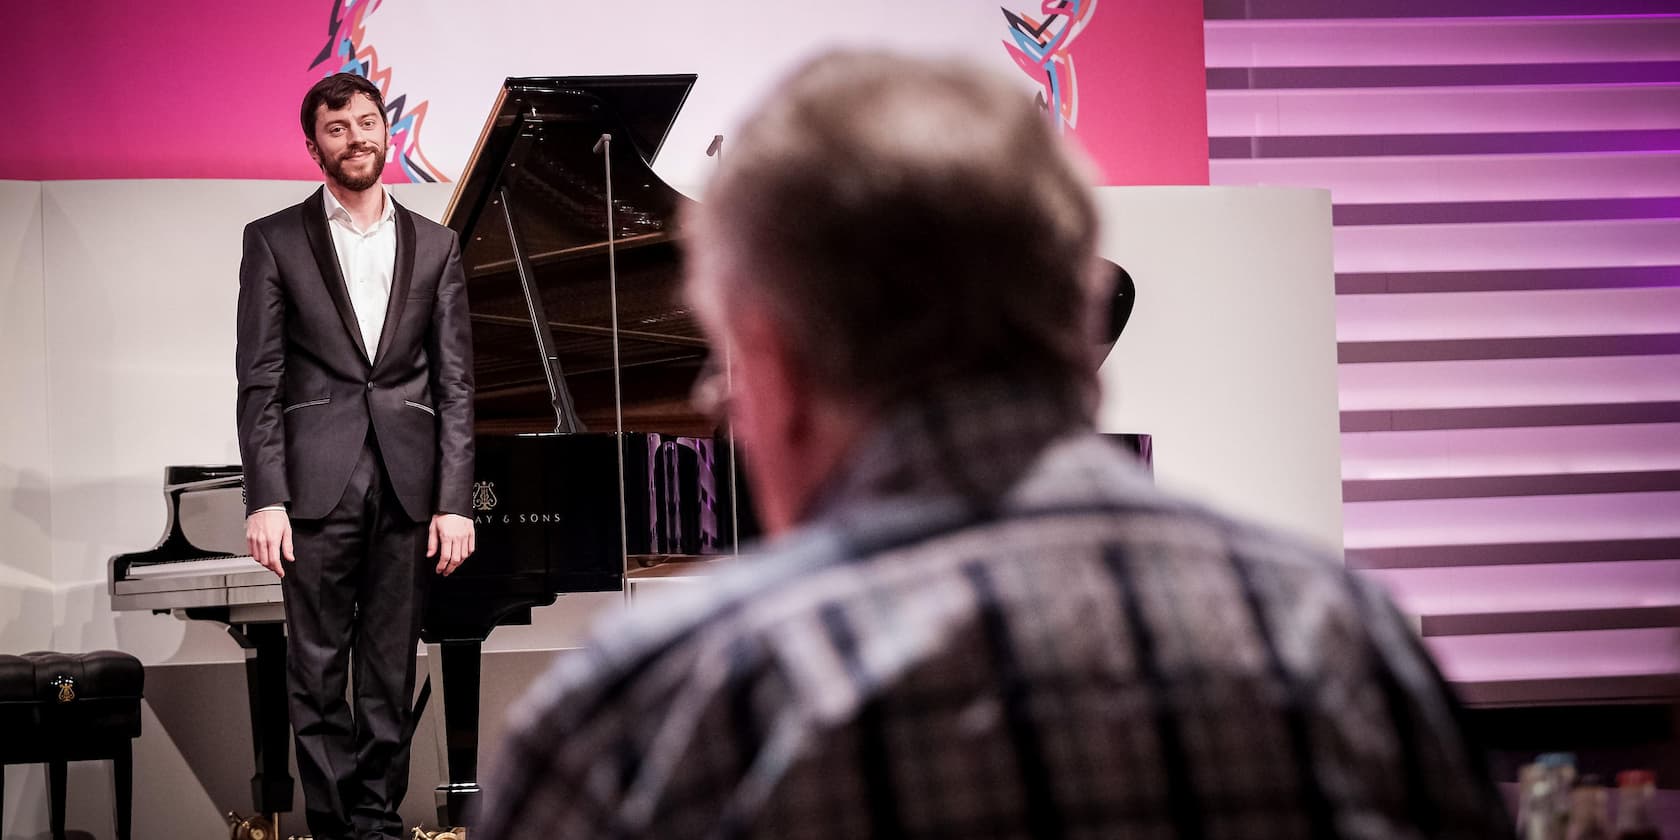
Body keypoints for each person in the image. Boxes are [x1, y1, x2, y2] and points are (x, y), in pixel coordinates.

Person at [474, 51, 1513, 839]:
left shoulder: (646, 716)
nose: (715, 402)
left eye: (723, 363)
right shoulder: (1346, 647)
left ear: (774, 358)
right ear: (1076, 322)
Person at [235, 71, 476, 840]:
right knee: (315, 671)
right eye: (338, 128)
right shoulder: (272, 239)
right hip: (314, 483)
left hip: (410, 483)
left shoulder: (437, 245)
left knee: (389, 669)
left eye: (367, 122)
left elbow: (458, 384)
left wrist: (455, 500)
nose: (357, 138)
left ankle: (375, 819)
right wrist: (264, 497)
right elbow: (260, 378)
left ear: (387, 132)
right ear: (314, 147)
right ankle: (337, 827)